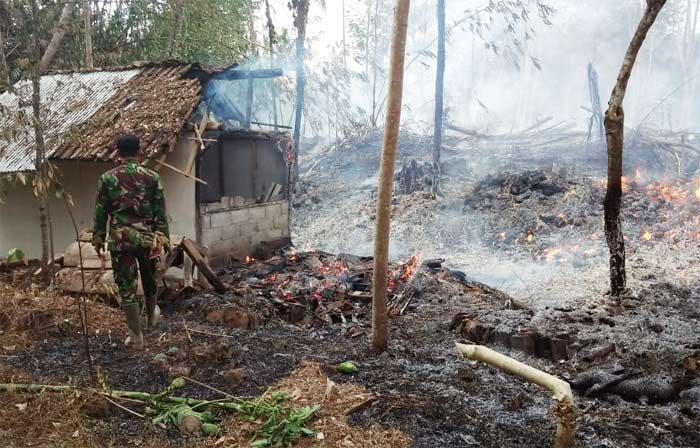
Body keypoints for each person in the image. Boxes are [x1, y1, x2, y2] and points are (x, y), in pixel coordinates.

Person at [92, 134, 170, 349]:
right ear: (140, 151)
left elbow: (101, 211)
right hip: (147, 239)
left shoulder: (107, 178)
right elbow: (160, 212)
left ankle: (136, 336)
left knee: (126, 286)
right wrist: (164, 238)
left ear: (117, 152)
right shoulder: (152, 177)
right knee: (150, 278)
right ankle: (152, 316)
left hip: (120, 240)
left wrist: (98, 237)